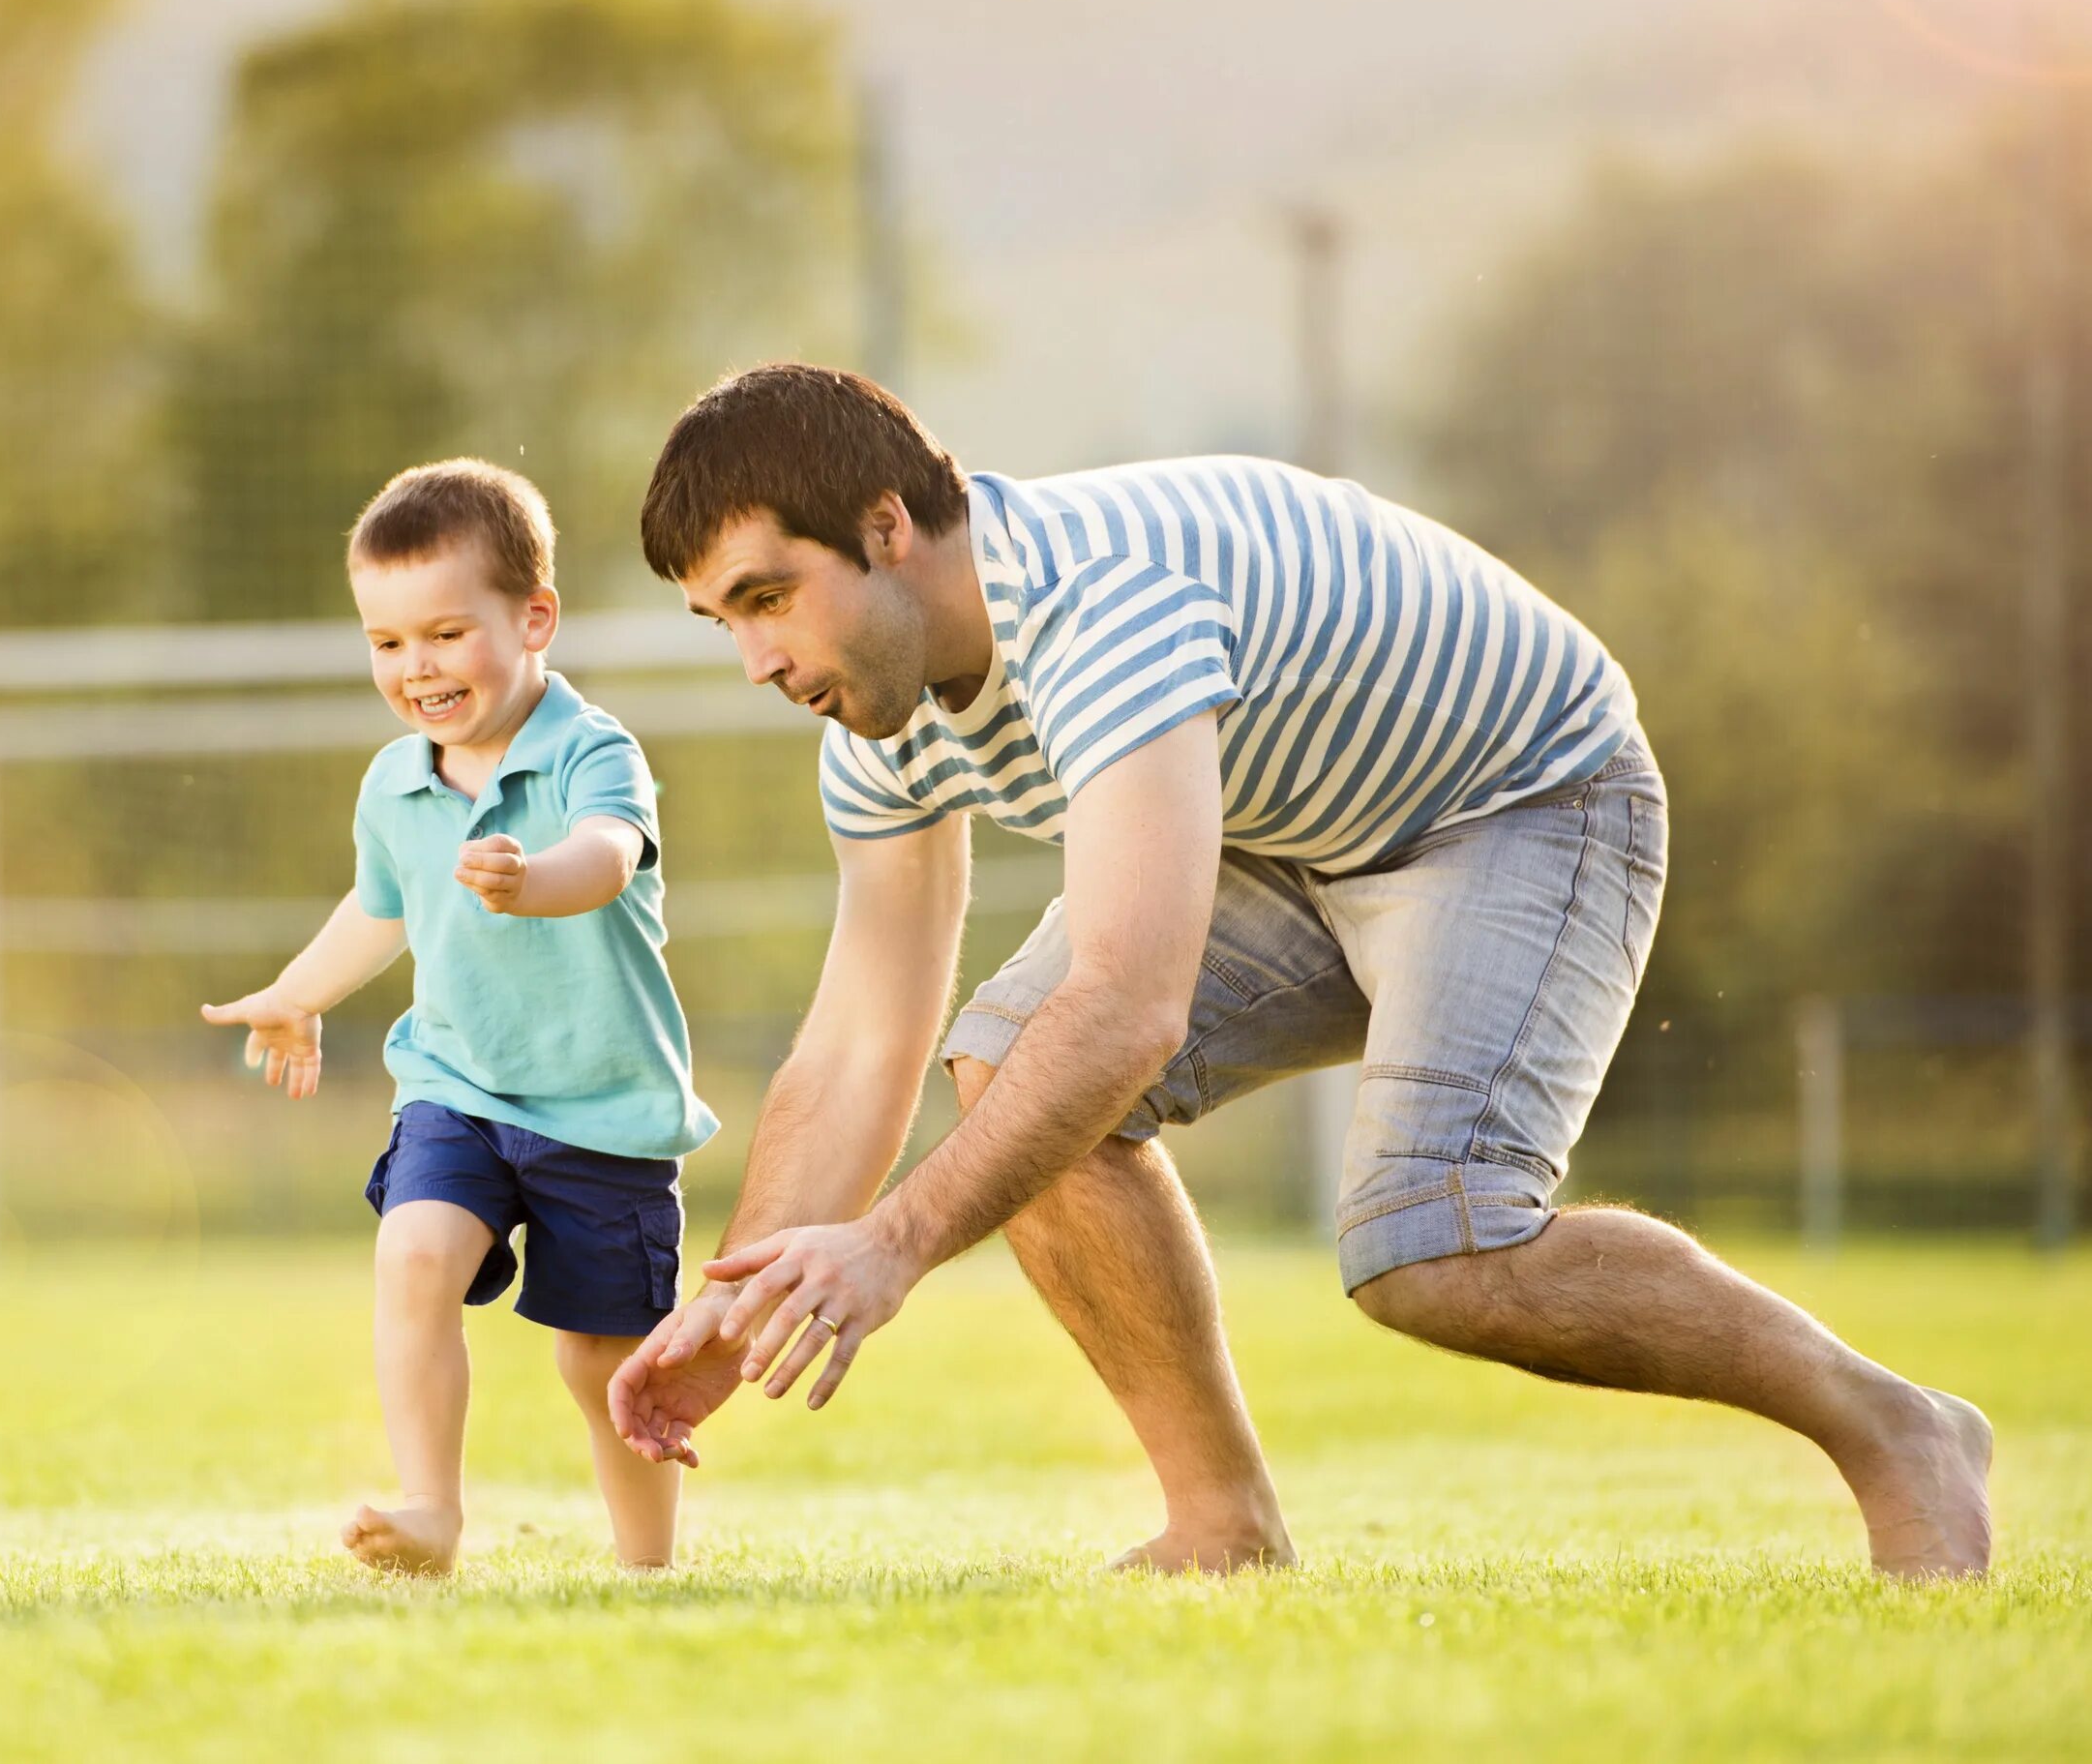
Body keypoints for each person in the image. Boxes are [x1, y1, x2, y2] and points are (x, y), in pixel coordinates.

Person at [604, 362, 1992, 1579]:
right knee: (1005, 1061)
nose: (754, 659)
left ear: (887, 529)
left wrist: (897, 1243)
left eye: (767, 598)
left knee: (1433, 1248)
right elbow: (859, 1039)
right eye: (723, 620)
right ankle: (1223, 1523)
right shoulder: (877, 718)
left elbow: (1131, 1009)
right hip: (1292, 833)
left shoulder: (1102, 612)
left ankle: (1896, 1422)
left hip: (1519, 800)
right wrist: (745, 1293)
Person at [203, 459, 718, 1574]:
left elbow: (607, 855)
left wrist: (530, 878)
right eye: (386, 643)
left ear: (534, 617)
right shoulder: (394, 781)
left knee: (602, 1359)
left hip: (604, 1109)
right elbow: (378, 905)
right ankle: (430, 1509)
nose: (415, 667)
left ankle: (645, 1562)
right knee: (416, 1251)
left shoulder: (595, 749)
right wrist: (296, 993)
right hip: (458, 1086)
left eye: (444, 633)